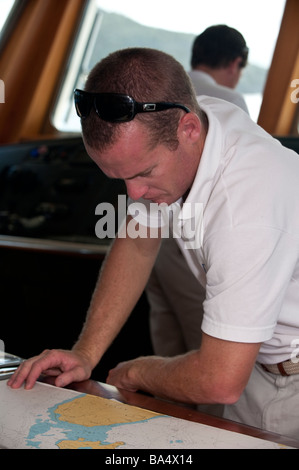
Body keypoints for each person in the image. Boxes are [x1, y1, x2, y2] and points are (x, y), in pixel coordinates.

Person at [8, 48, 299, 440]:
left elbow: (219, 380)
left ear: (189, 131)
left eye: (144, 173)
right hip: (256, 364)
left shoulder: (247, 206)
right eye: (119, 178)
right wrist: (86, 353)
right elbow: (138, 240)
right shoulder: (194, 119)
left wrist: (137, 371)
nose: (135, 194)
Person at [146, 26, 249, 415]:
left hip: (151, 241)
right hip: (191, 245)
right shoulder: (229, 99)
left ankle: (161, 428)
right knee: (201, 359)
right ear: (235, 63)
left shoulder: (168, 95)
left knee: (166, 345)